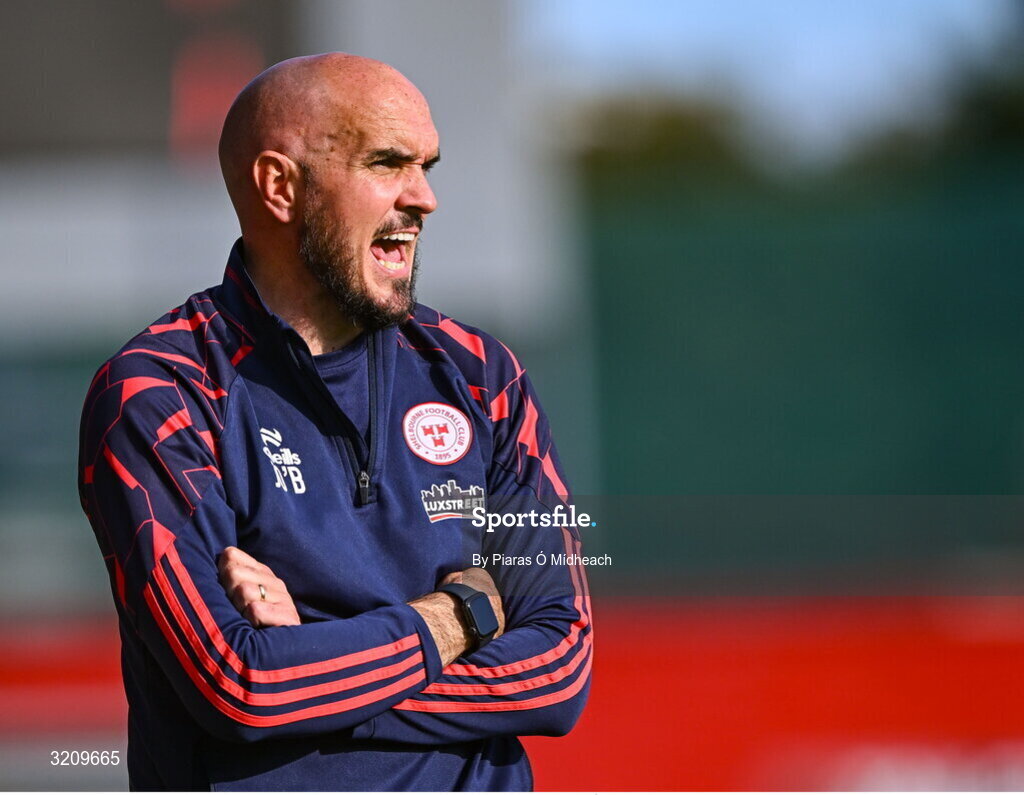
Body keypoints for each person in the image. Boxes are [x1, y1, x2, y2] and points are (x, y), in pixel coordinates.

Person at [77, 53, 592, 791]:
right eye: (387, 163)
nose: (424, 198)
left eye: (427, 166)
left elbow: (559, 665)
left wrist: (316, 658)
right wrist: (464, 616)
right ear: (280, 187)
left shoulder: (484, 377)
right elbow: (242, 687)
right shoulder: (159, 392)